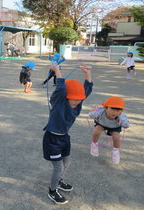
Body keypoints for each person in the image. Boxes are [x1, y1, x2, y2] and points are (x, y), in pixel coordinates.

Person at [43, 64, 93, 205]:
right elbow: (61, 88)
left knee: (67, 162)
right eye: (74, 99)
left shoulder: (77, 102)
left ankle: (58, 181)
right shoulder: (59, 102)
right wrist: (57, 71)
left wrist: (87, 74)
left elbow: (87, 89)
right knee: (58, 167)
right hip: (52, 138)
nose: (77, 102)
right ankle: (52, 191)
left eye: (79, 100)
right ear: (66, 97)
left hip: (64, 137)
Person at [88, 96, 130, 164]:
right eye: (112, 109)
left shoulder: (121, 117)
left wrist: (125, 124)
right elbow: (92, 114)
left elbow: (126, 124)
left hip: (114, 126)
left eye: (118, 110)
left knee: (116, 137)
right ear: (106, 108)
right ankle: (94, 144)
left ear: (121, 111)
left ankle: (115, 151)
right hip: (101, 123)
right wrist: (90, 114)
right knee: (97, 132)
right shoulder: (100, 112)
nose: (115, 112)